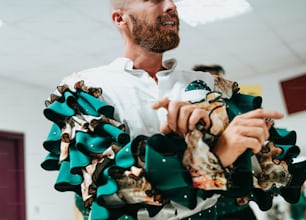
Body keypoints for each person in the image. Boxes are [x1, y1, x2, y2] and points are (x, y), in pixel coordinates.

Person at [47, 0, 284, 219]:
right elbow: (106, 190)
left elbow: (268, 171)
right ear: (120, 19)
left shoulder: (214, 86)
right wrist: (217, 154)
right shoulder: (86, 88)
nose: (171, 5)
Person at [192, 64, 257, 220]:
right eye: (210, 80)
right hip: (213, 211)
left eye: (218, 81)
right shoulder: (192, 120)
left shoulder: (235, 114)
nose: (215, 85)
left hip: (241, 208)